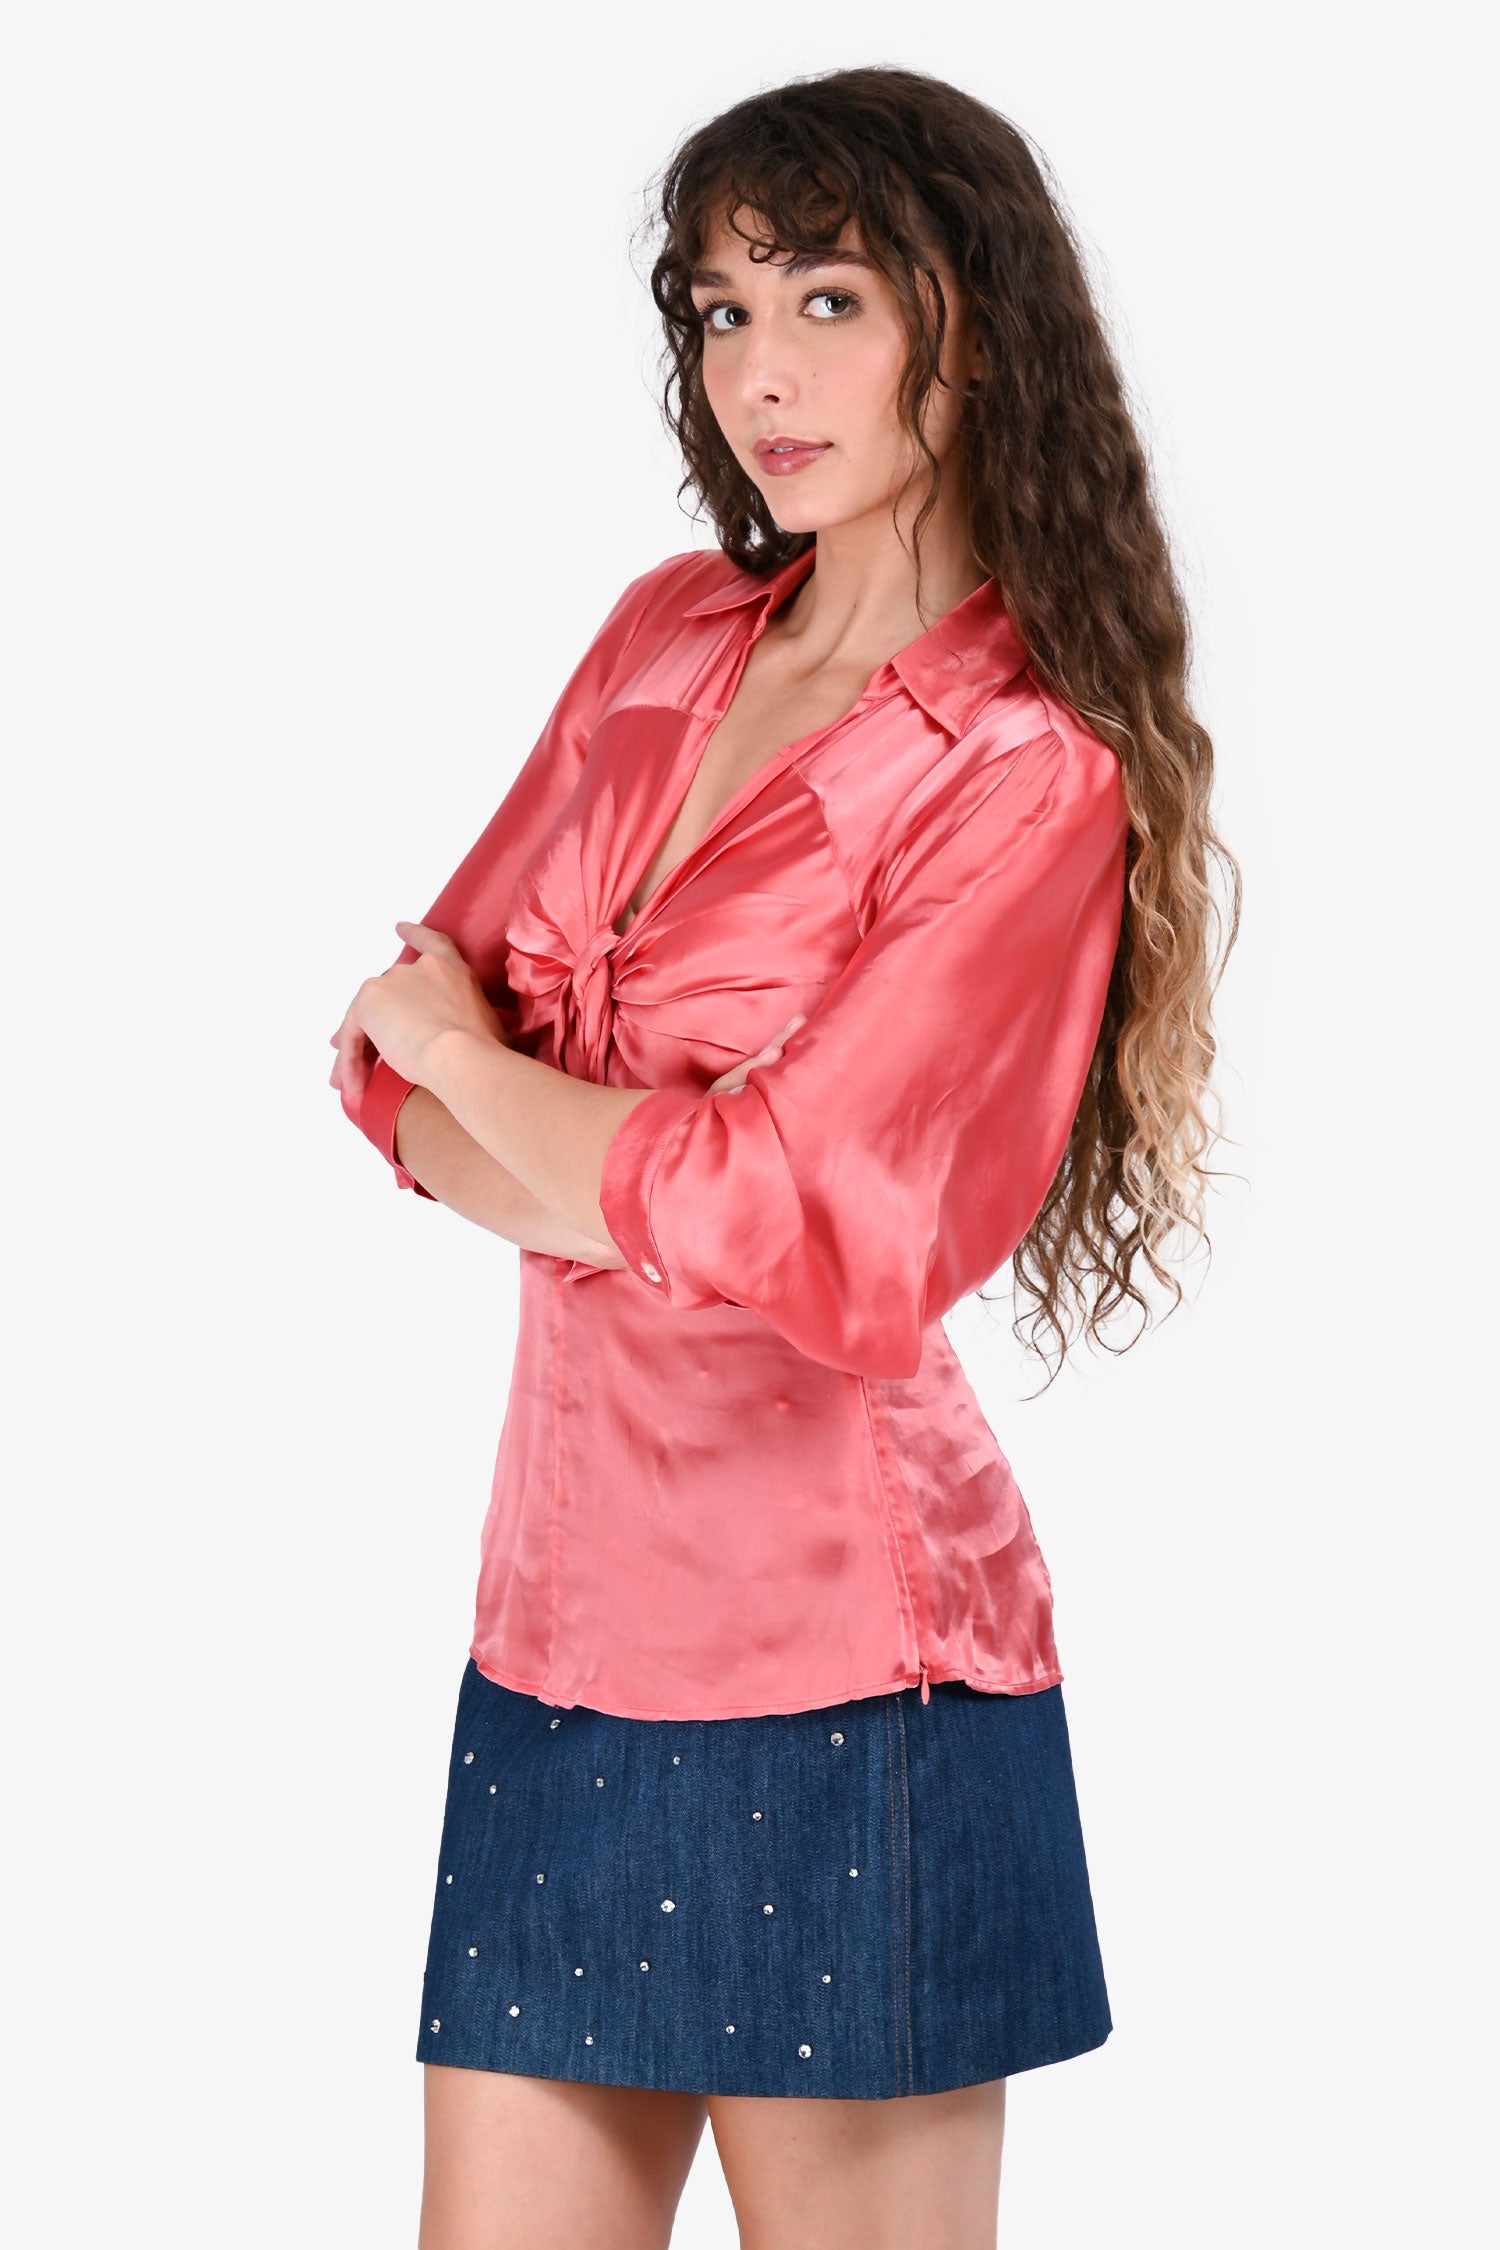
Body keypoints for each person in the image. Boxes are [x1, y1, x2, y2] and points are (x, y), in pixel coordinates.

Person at [328, 64, 1239, 2250]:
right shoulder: (665, 635)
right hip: (554, 1646)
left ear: (974, 321)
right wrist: (615, 1147)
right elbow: (386, 1065)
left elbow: (814, 1223)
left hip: (850, 1672)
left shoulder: (1023, 769)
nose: (761, 372)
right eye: (722, 309)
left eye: (828, 300)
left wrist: (516, 1099)